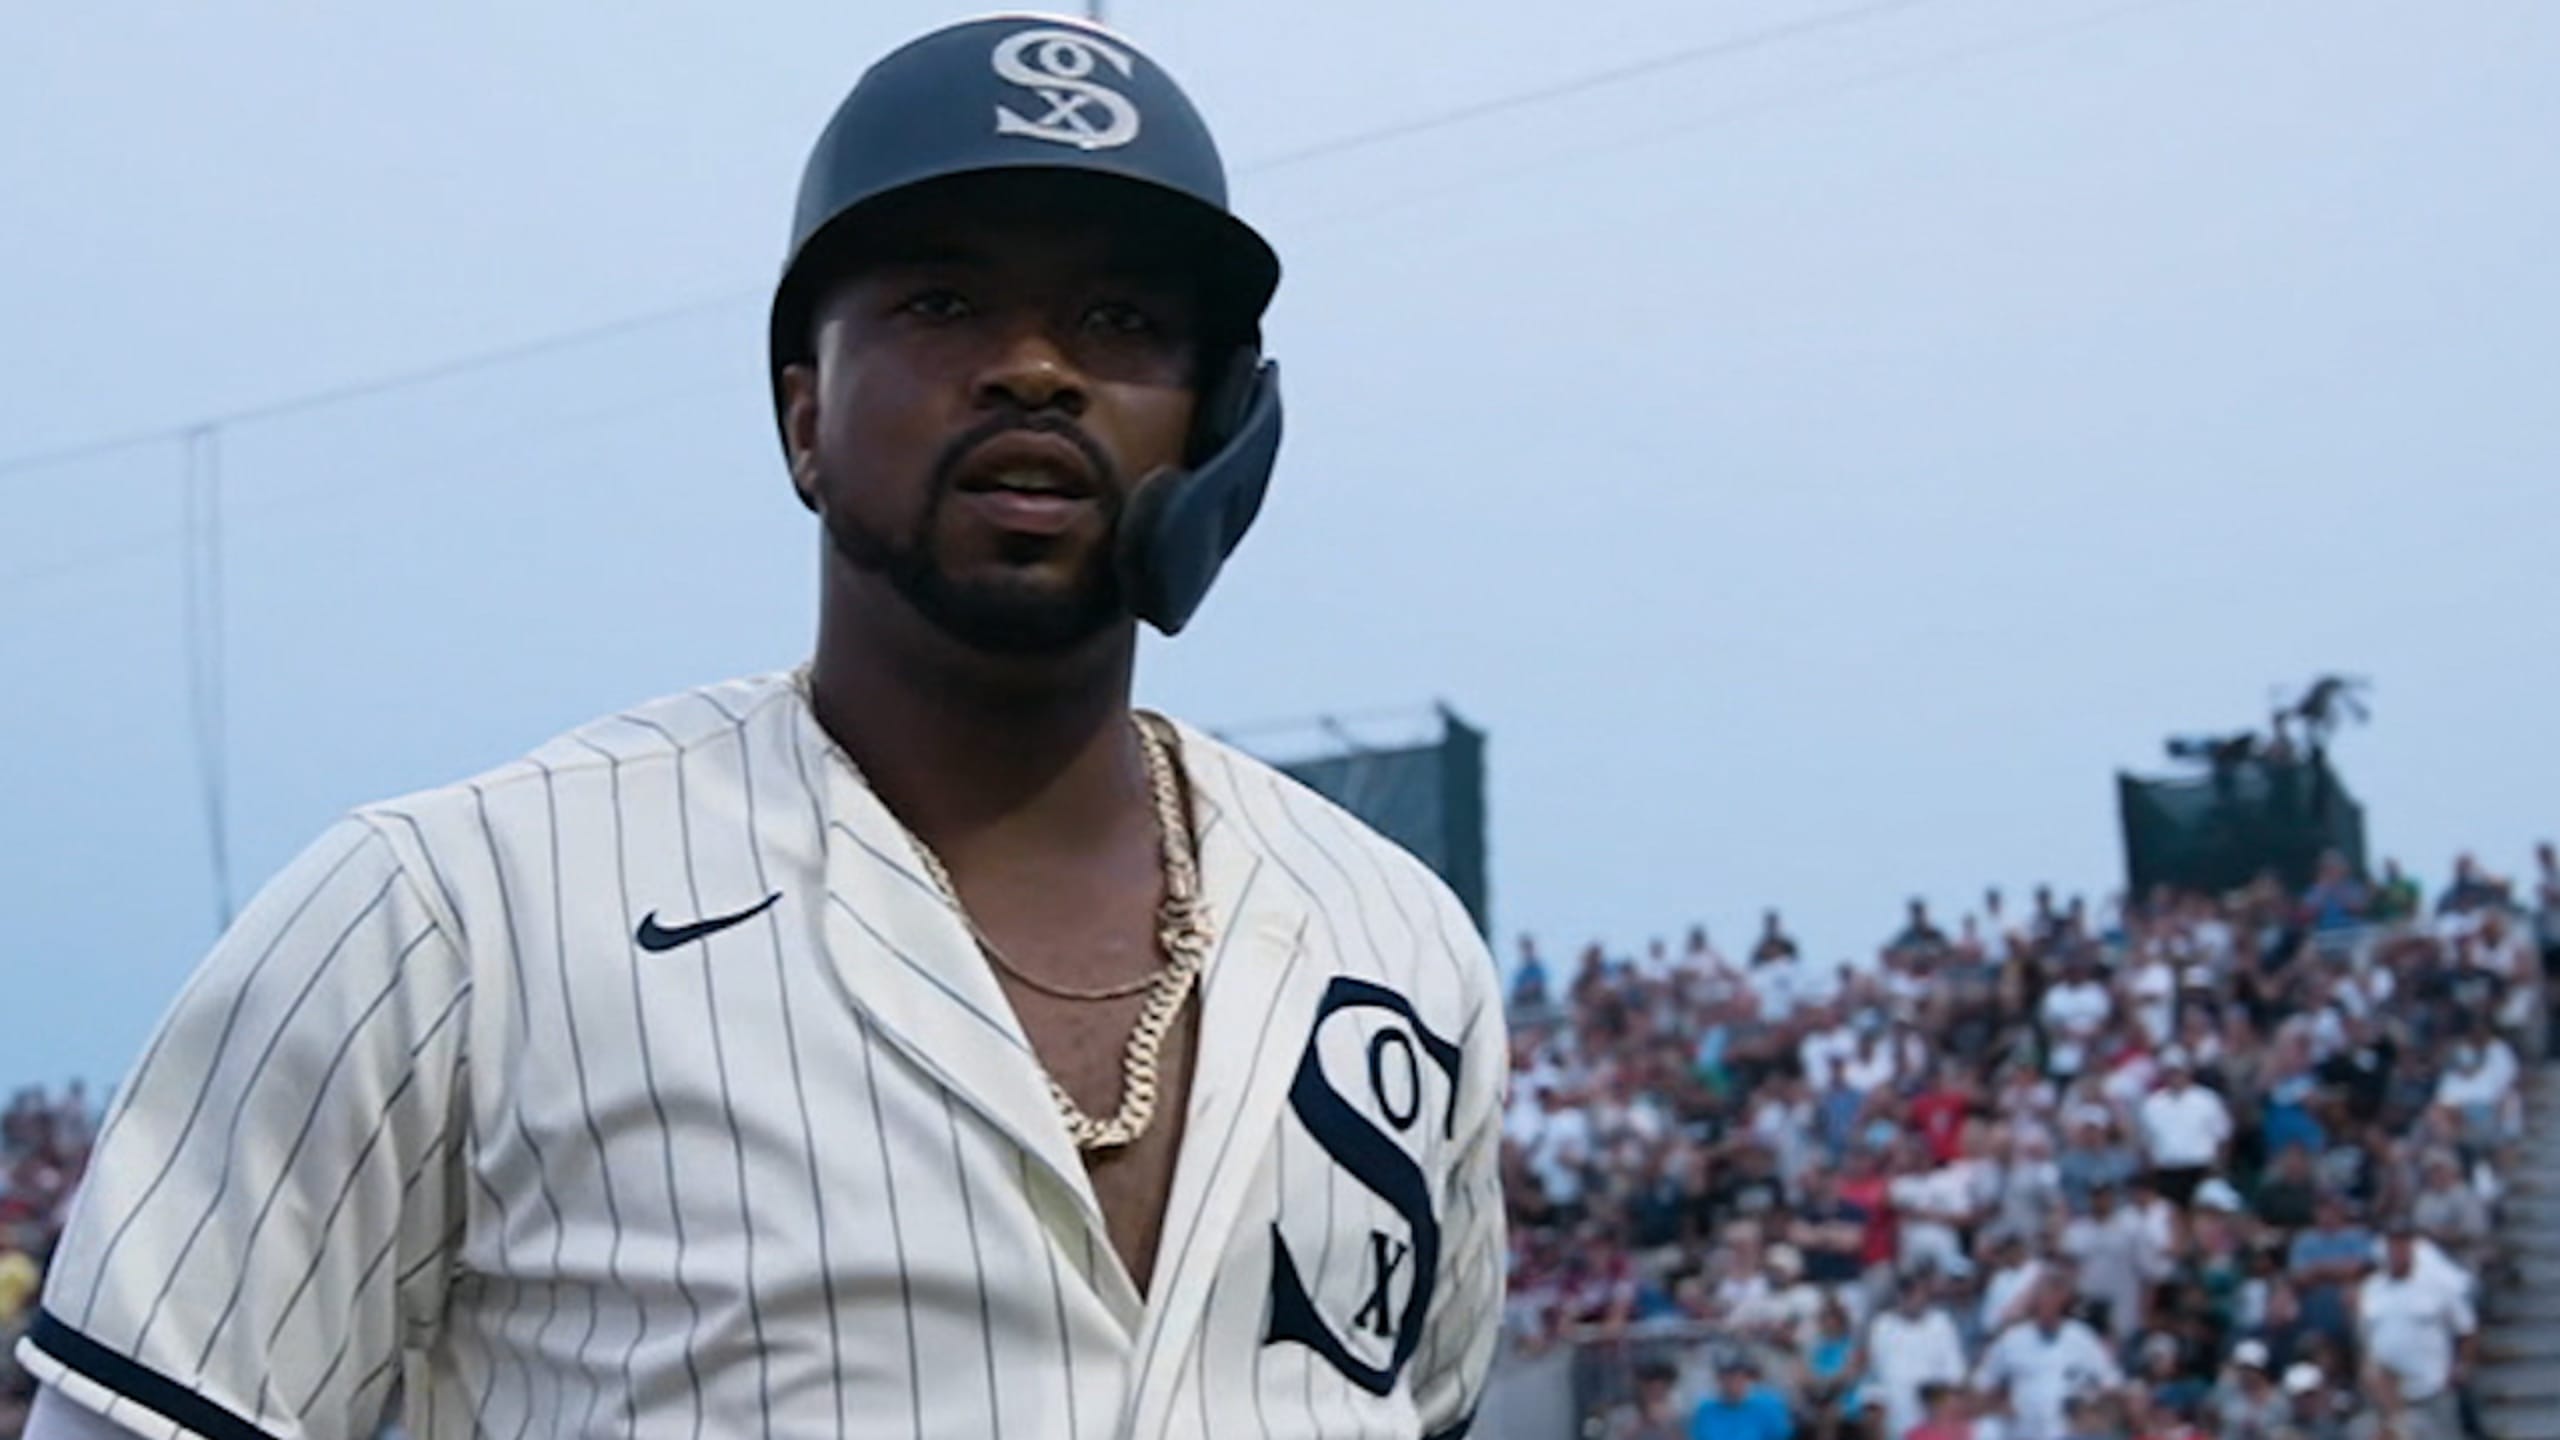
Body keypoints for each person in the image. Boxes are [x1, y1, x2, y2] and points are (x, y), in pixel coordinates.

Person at [15, 17, 1505, 1440]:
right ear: (803, 413)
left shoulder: (1396, 945)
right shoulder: (453, 911)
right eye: (941, 302)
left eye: (1121, 319)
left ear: (1226, 416)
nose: (1036, 367)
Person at [2355, 1222, 2474, 1440]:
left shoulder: (2438, 1285)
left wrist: (2461, 1367)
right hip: (2389, 1396)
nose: (2397, 1251)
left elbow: (2465, 1328)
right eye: (2392, 1245)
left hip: (2432, 1391)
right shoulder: (2371, 1288)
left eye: (2402, 1245)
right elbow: (2365, 1337)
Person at [1972, 1278, 2122, 1440]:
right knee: (1986, 1428)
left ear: (2063, 1302)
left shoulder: (2081, 1337)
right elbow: (1983, 1383)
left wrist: (2092, 1407)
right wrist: (1999, 1406)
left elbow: (2111, 1383)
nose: (2047, 1304)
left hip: (2071, 1431)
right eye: (2043, 1298)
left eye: (2053, 1298)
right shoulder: (2012, 1339)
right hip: (2022, 1430)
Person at [1691, 1354, 1795, 1440]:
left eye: (1738, 1375)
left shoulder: (1769, 1404)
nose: (1732, 1382)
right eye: (1727, 1376)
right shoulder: (1706, 1410)